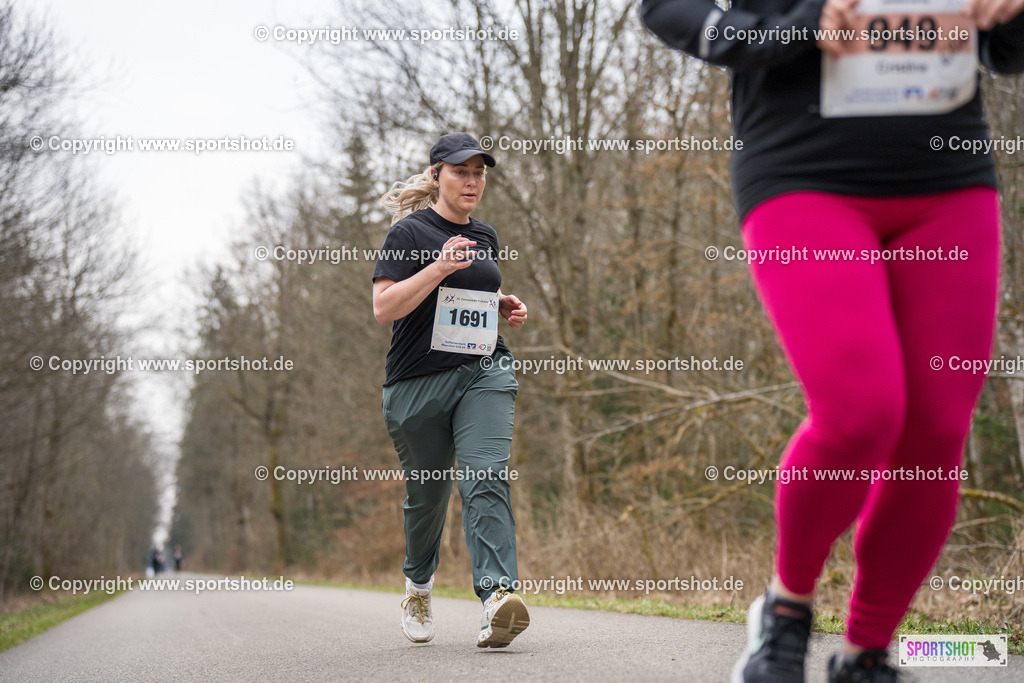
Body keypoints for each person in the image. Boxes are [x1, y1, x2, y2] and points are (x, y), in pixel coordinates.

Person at [641, 0, 1024, 680]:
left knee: (936, 429)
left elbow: (1009, 51)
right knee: (861, 410)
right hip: (801, 171)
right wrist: (798, 26)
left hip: (946, 178)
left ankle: (867, 652)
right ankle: (785, 612)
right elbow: (668, 9)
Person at [372, 132, 531, 648]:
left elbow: (469, 293)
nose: (471, 181)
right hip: (418, 386)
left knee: (485, 474)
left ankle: (496, 599)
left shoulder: (485, 236)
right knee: (427, 499)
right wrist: (438, 266)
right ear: (437, 174)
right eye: (461, 171)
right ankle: (418, 584)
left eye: (479, 172)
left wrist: (499, 301)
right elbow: (385, 307)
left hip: (482, 371)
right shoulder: (409, 233)